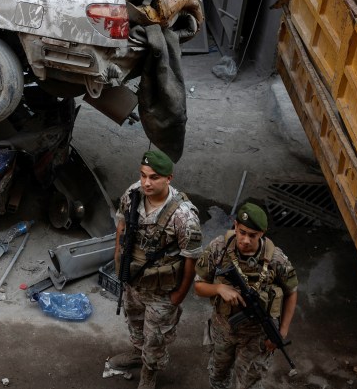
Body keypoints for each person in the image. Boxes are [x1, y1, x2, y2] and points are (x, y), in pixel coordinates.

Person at [110, 150, 203, 389]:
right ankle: (136, 354)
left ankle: (149, 374)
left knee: (156, 338)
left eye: (154, 177)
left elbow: (191, 259)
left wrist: (179, 296)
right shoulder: (132, 195)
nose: (146, 182)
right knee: (135, 323)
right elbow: (121, 225)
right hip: (133, 280)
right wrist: (118, 259)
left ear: (168, 178)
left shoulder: (184, 215)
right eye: (143, 175)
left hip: (162, 292)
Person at [194, 202, 298, 389]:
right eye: (242, 232)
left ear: (263, 233)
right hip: (223, 328)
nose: (245, 240)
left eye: (253, 235)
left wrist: (281, 332)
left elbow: (292, 292)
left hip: (257, 336)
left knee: (250, 382)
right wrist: (218, 289)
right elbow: (198, 286)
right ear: (235, 225)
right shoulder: (218, 249)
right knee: (218, 375)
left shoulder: (276, 259)